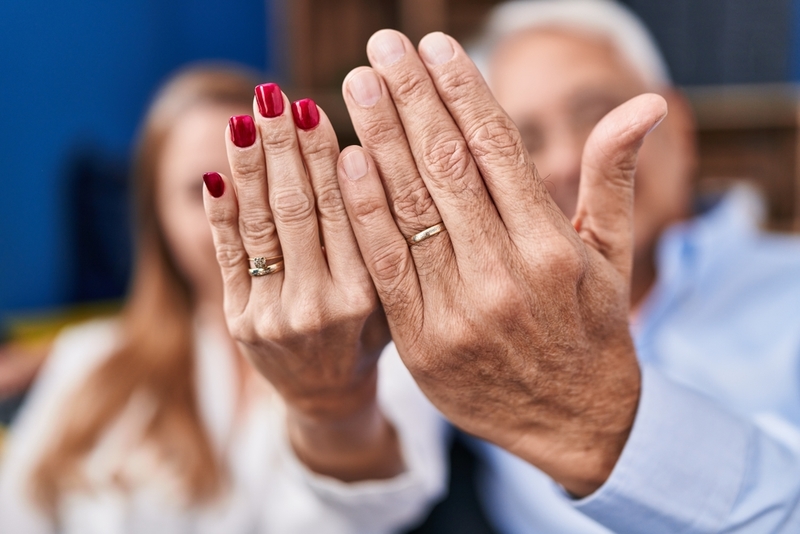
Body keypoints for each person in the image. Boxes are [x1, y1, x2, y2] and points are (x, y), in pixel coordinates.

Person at [321, 11, 800, 534]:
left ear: (681, 127)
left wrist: (596, 420)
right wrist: (322, 401)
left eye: (595, 113)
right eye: (521, 140)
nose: (570, 160)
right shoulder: (480, 320)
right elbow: (366, 493)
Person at [0, 64, 446, 533]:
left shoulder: (379, 351)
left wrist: (332, 405)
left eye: (263, 182)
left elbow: (387, 502)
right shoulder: (86, 359)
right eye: (203, 191)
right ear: (157, 215)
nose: (237, 215)